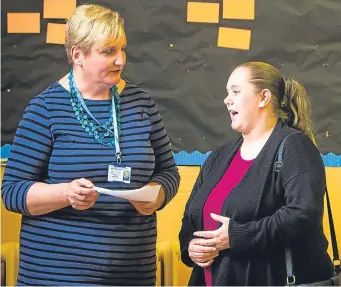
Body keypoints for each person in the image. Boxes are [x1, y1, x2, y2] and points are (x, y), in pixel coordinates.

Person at [1, 4, 180, 286]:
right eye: (108, 51)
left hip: (132, 275)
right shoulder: (45, 108)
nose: (120, 60)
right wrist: (66, 194)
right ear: (77, 55)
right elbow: (12, 191)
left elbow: (169, 173)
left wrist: (156, 195)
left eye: (122, 49)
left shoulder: (142, 103)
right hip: (56, 277)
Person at [179, 62, 333, 286]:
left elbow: (303, 214)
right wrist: (191, 246)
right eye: (227, 92)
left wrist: (237, 236)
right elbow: (190, 218)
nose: (227, 99)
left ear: (263, 97)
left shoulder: (295, 147)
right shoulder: (219, 156)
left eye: (236, 91)